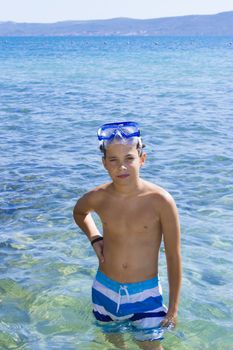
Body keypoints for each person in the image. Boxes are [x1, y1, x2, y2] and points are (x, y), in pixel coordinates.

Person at [73, 121, 182, 350]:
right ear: (104, 163)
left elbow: (173, 256)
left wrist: (173, 308)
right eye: (113, 160)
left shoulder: (161, 201)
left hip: (145, 294)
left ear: (142, 159)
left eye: (129, 159)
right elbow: (80, 212)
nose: (121, 167)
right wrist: (95, 238)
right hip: (104, 290)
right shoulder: (99, 197)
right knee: (115, 345)